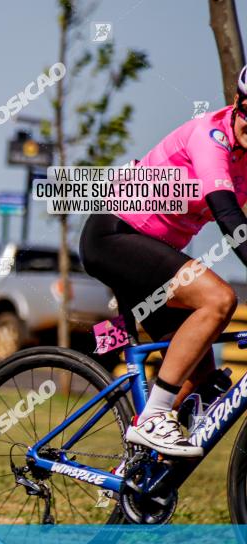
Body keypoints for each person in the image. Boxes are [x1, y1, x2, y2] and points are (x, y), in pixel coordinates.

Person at [80, 66, 247, 458]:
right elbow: (228, 216)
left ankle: (134, 473)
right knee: (219, 300)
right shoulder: (211, 137)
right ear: (239, 103)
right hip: (115, 235)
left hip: (153, 254)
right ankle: (152, 418)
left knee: (196, 376)